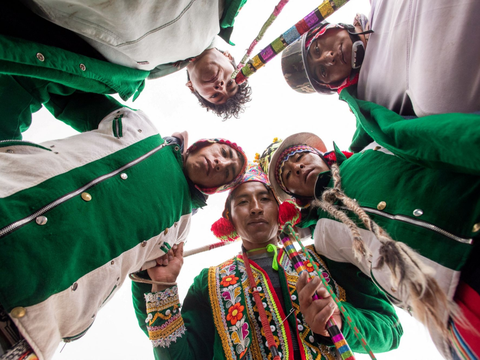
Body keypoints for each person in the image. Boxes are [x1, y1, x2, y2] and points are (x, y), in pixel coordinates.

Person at [0, 101, 248, 360]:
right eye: (223, 152)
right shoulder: (138, 126)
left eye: (228, 172)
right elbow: (63, 90)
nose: (220, 163)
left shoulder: (179, 232)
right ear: (204, 144)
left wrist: (161, 283)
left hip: (29, 321)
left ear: (215, 189)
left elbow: (149, 307)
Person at [258, 104, 480, 359]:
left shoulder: (371, 147)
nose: (296, 168)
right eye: (287, 175)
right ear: (295, 197)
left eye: (299, 157)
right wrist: (342, 321)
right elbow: (387, 327)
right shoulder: (324, 238)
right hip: (454, 298)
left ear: (320, 154)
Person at [131, 164, 402, 359]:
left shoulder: (327, 256)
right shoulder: (209, 281)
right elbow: (180, 354)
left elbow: (390, 329)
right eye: (243, 202)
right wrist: (161, 286)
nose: (256, 207)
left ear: (279, 210)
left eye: (264, 199)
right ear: (230, 219)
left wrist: (340, 319)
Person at [0, 1, 252, 141]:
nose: (221, 86)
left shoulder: (127, 74)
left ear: (192, 87)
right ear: (230, 58)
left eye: (215, 95)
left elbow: (32, 85)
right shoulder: (219, 9)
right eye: (232, 82)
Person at [281, 0, 480, 117]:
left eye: (317, 49)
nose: (328, 57)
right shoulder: (374, 99)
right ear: (331, 85)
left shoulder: (379, 3)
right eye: (322, 72)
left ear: (326, 30)